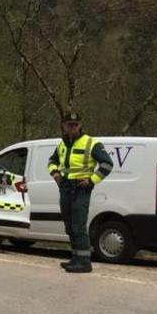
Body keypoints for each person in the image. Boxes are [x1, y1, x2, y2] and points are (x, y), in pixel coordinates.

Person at [48, 111, 113, 273]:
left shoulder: (91, 143)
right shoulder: (62, 144)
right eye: (69, 125)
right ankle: (76, 257)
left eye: (75, 125)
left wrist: (91, 180)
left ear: (80, 125)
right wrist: (55, 173)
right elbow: (52, 161)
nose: (73, 127)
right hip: (65, 186)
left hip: (80, 188)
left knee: (78, 225)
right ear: (64, 126)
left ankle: (84, 262)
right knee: (69, 225)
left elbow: (107, 164)